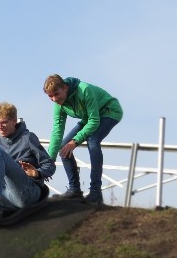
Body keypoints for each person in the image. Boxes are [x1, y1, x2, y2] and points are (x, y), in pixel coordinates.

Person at [43, 74, 123, 205]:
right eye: (50, 96)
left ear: (65, 87)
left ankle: (95, 192)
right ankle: (74, 190)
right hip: (88, 119)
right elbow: (57, 131)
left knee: (93, 140)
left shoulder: (84, 90)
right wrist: (50, 161)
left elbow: (94, 121)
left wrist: (75, 141)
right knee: (63, 147)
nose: (54, 99)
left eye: (57, 94)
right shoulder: (58, 104)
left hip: (108, 111)